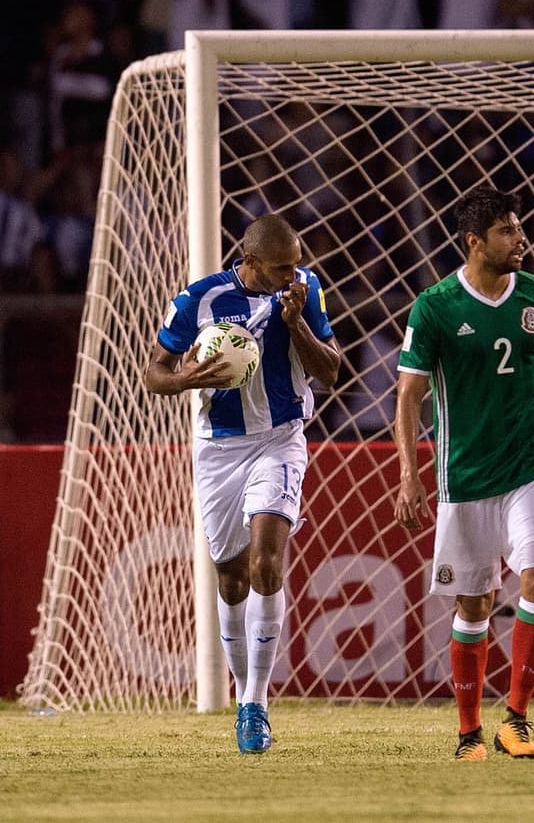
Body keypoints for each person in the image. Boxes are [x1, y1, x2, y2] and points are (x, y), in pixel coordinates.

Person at [393, 184, 534, 762]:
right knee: (474, 606)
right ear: (475, 241)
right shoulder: (435, 306)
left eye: (520, 228)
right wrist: (409, 474)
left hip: (532, 466)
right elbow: (409, 396)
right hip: (464, 476)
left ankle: (515, 721)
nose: (521, 239)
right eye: (508, 231)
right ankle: (469, 733)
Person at [143, 214, 342, 754]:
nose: (291, 275)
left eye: (296, 265)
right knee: (231, 579)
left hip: (280, 439)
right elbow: (155, 372)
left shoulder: (306, 291)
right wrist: (184, 379)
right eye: (280, 268)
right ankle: (239, 693)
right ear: (250, 261)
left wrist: (297, 324)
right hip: (219, 448)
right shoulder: (198, 300)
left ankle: (255, 702)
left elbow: (331, 371)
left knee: (266, 564)